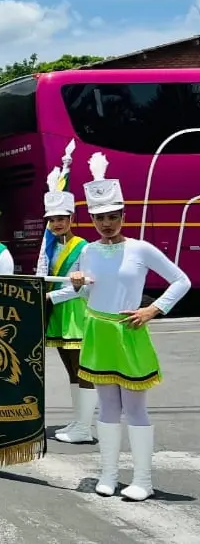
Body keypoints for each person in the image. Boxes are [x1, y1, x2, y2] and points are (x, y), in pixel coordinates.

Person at [69, 152, 191, 502]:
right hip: (98, 332)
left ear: (124, 216)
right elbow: (85, 291)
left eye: (113, 217)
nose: (107, 223)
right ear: (92, 219)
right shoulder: (88, 252)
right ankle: (108, 475)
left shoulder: (141, 249)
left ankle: (143, 480)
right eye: (100, 218)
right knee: (107, 407)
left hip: (129, 331)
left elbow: (181, 280)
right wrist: (76, 285)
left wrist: (153, 309)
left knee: (135, 408)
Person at [36, 166, 96, 445]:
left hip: (75, 312)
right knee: (70, 370)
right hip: (57, 313)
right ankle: (78, 420)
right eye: (52, 219)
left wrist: (51, 297)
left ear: (71, 218)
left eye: (61, 218)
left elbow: (84, 285)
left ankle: (84, 427)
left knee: (82, 370)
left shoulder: (83, 247)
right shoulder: (48, 247)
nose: (57, 223)